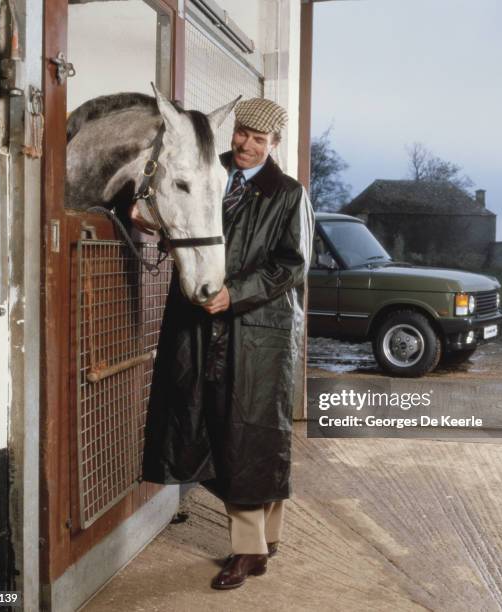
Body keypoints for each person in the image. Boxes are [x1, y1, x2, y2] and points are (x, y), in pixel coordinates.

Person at [138, 97, 314, 590]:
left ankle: (249, 551)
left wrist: (237, 295)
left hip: (257, 327)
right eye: (242, 134)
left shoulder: (287, 193)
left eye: (259, 140)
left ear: (273, 144)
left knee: (249, 435)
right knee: (219, 428)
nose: (245, 145)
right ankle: (266, 535)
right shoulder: (207, 171)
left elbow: (293, 264)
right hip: (201, 320)